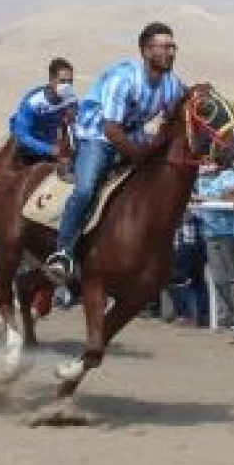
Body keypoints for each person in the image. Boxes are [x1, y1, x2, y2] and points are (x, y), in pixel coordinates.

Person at [43, 22, 185, 283]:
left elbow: (184, 110)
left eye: (173, 47)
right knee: (86, 189)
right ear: (146, 51)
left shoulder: (172, 84)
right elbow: (111, 130)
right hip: (98, 136)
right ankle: (62, 252)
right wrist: (138, 154)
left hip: (132, 136)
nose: (171, 52)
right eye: (164, 47)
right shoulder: (123, 78)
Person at [9, 58, 78, 167]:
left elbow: (75, 125)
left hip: (52, 145)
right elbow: (21, 134)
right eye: (62, 81)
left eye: (70, 81)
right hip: (27, 147)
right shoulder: (33, 102)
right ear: (51, 80)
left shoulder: (71, 99)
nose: (67, 85)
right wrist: (48, 149)